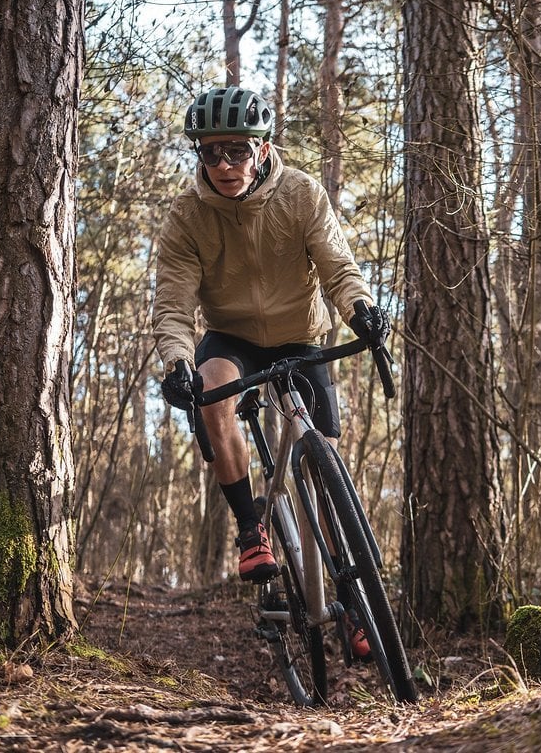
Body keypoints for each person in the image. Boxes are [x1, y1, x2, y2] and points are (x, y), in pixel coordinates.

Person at [152, 87, 386, 658]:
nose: (225, 164)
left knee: (324, 461)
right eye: (211, 153)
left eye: (236, 149)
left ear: (262, 148)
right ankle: (251, 528)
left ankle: (355, 602)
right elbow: (175, 305)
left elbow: (337, 265)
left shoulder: (302, 193)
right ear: (199, 156)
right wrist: (178, 362)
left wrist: (359, 309)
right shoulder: (187, 216)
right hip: (231, 338)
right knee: (211, 392)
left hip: (300, 335)